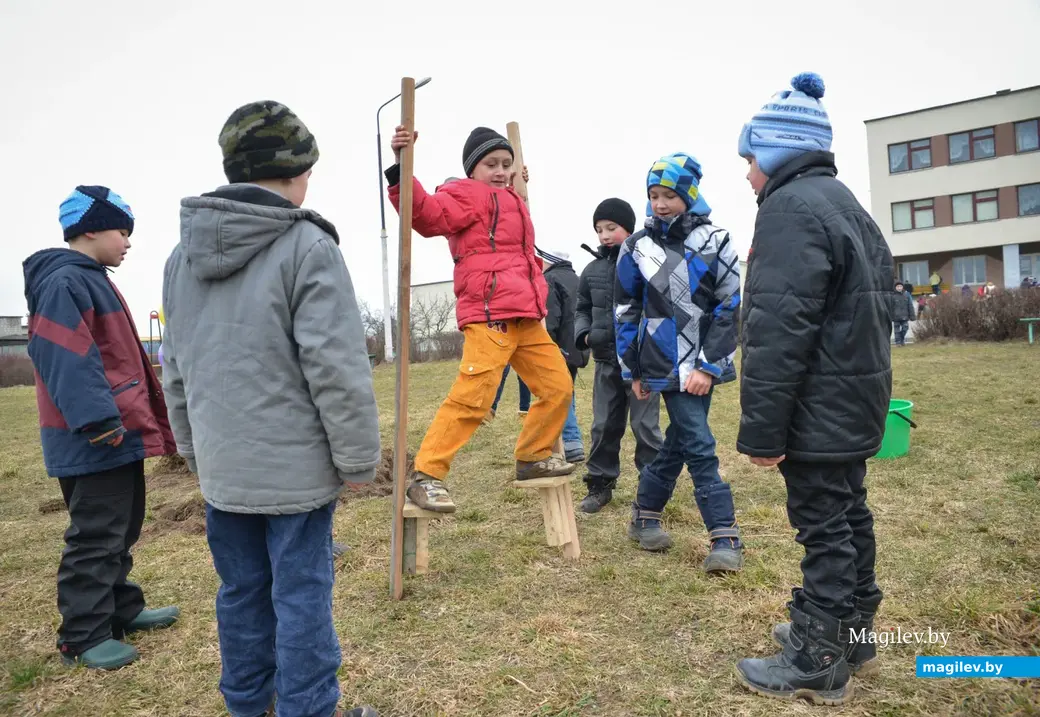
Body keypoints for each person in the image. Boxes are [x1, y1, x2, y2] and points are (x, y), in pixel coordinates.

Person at [162, 100, 380, 717]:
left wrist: (192, 450)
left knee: (240, 593)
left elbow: (174, 369)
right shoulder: (307, 244)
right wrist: (360, 459)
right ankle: (309, 709)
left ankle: (247, 705)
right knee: (302, 595)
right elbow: (336, 369)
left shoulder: (180, 257)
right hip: (296, 478)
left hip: (223, 473)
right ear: (298, 169)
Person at [734, 72, 893, 706]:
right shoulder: (845, 201)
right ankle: (853, 635)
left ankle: (818, 656)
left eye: (750, 159)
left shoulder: (787, 210)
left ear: (775, 153)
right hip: (853, 400)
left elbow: (776, 329)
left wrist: (764, 433)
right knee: (849, 513)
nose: (747, 174)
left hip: (815, 407)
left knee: (824, 527)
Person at [23, 186, 179, 670]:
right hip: (94, 435)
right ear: (90, 229)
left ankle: (122, 609)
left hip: (117, 431)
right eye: (122, 230)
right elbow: (67, 357)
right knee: (95, 534)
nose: (128, 242)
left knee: (121, 527)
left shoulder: (93, 278)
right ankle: (83, 635)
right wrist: (97, 420)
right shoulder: (64, 282)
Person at [385, 124, 575, 513]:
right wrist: (401, 166)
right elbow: (425, 215)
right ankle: (426, 475)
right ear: (473, 169)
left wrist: (517, 185)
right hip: (490, 314)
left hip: (526, 316)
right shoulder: (464, 194)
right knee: (474, 397)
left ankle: (533, 455)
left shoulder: (514, 199)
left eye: (507, 163)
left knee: (558, 387)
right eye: (491, 164)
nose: (501, 170)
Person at [616, 153, 744, 574]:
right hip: (659, 362)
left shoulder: (716, 240)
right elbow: (626, 309)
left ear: (689, 193)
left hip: (701, 360)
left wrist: (709, 365)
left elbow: (730, 303)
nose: (659, 203)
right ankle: (723, 534)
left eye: (668, 194)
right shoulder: (636, 247)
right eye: (653, 195)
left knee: (681, 441)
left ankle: (645, 512)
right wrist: (631, 369)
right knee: (700, 444)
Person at [575, 199, 663, 513]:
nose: (604, 235)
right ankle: (599, 485)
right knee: (603, 426)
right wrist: (584, 334)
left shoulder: (647, 262)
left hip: (643, 364)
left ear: (629, 227)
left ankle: (652, 490)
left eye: (611, 228)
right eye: (599, 229)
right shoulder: (591, 270)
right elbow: (581, 309)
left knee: (645, 428)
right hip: (605, 362)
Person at [538, 246, 589, 463]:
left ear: (548, 261)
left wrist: (544, 345)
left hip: (558, 349)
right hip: (578, 348)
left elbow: (551, 320)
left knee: (560, 395)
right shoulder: (576, 279)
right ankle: (568, 442)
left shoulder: (550, 280)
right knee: (568, 393)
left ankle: (570, 443)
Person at [891, 281, 915, 346]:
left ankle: (901, 339)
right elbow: (890, 307)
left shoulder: (907, 295)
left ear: (902, 287)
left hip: (905, 315)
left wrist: (912, 316)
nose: (899, 288)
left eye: (900, 286)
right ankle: (898, 342)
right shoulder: (892, 295)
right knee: (896, 330)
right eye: (898, 286)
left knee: (905, 327)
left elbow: (910, 305)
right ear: (895, 287)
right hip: (895, 316)